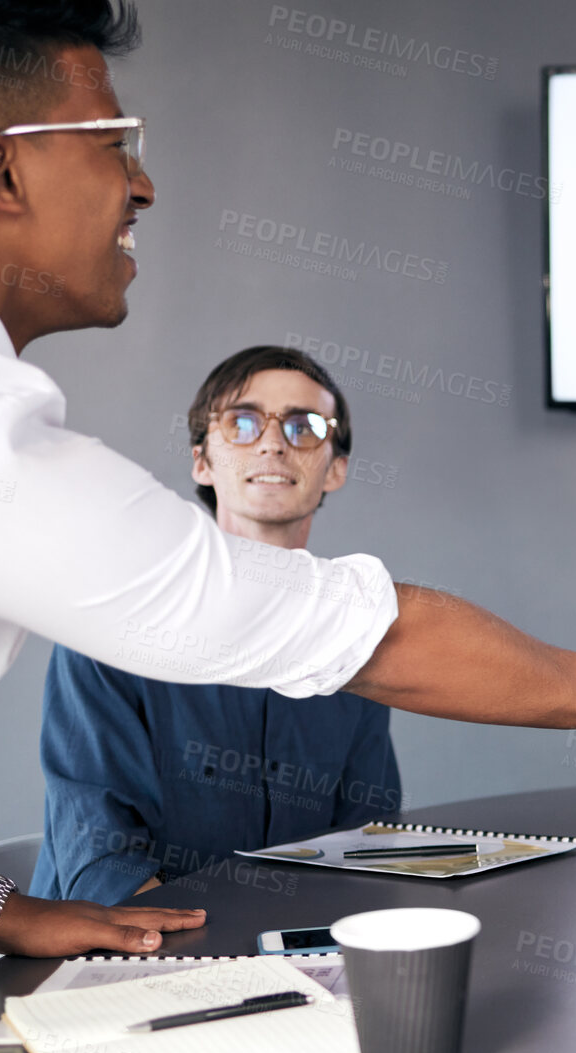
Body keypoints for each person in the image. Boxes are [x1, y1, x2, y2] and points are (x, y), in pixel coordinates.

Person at [0, 1, 576, 961]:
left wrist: (4, 911)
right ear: (5, 169)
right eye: (115, 145)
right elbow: (374, 630)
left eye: (305, 427)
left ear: (337, 463)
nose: (142, 185)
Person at [32, 346, 403, 903]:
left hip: (290, 953)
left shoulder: (356, 639)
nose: (274, 442)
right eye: (243, 422)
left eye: (305, 426)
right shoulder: (113, 620)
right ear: (202, 460)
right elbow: (104, 863)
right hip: (122, 951)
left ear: (336, 468)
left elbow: (366, 844)